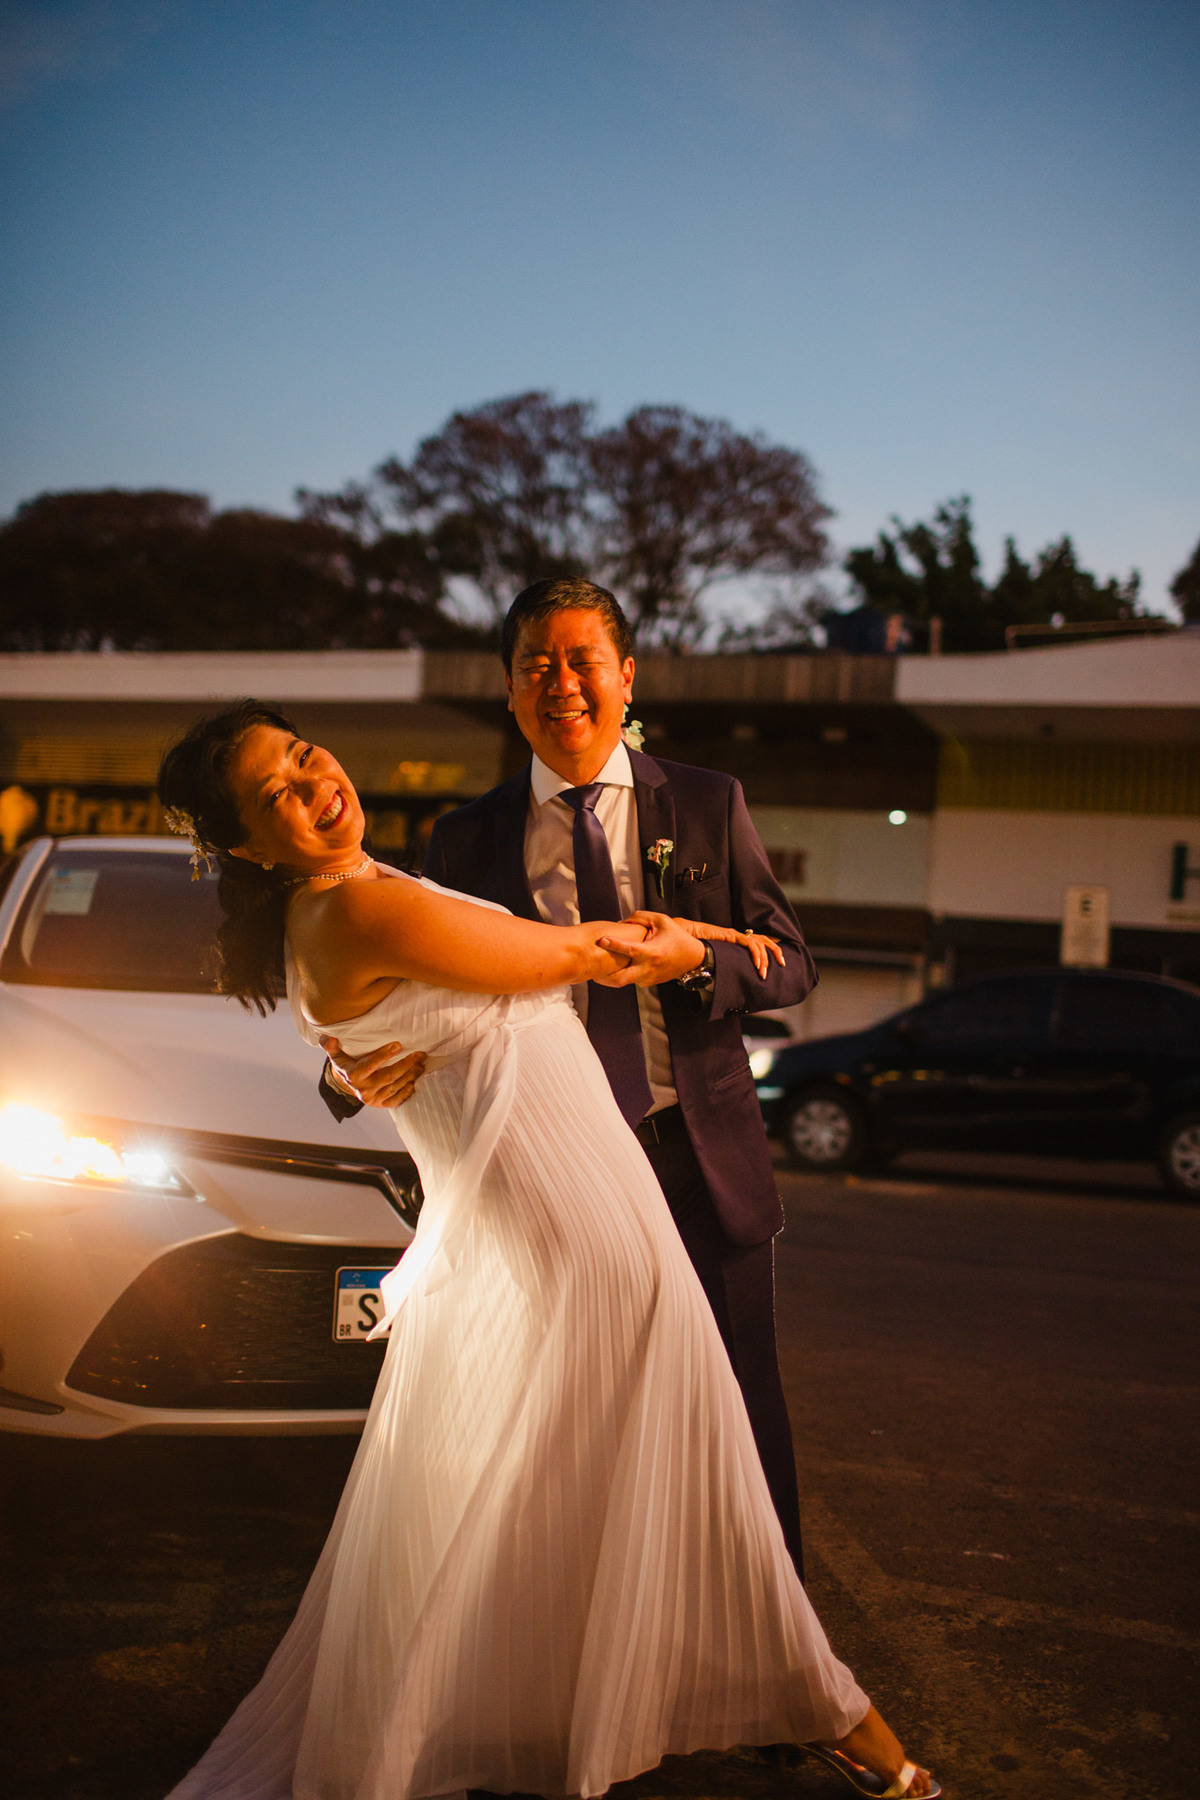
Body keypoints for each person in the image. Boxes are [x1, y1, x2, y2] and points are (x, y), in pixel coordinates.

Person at [157, 701, 939, 1800]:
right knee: (677, 1468)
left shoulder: (685, 808)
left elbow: (414, 1004)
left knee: (596, 1471)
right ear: (247, 843)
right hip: (575, 1225)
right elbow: (565, 956)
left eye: (303, 755)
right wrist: (704, 943)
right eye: (274, 792)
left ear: (625, 679)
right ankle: (825, 1715)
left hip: (623, 1187)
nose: (313, 784)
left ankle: (657, 1705)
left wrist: (732, 949)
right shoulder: (386, 884)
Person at [321, 577, 812, 1576]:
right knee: (568, 1417)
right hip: (545, 1175)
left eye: (582, 660)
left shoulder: (706, 803)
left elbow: (791, 964)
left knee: (740, 1408)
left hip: (694, 1160)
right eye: (535, 665)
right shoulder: (465, 839)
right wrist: (357, 1073)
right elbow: (409, 997)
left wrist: (696, 960)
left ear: (626, 677)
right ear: (509, 690)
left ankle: (775, 1635)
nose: (561, 683)